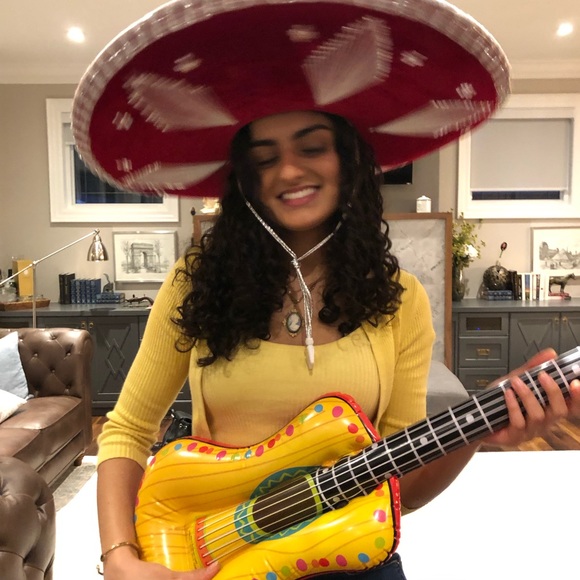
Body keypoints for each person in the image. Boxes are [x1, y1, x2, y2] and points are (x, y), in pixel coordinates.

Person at [72, 1, 580, 579]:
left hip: (351, 562)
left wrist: (478, 430)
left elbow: (399, 486)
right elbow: (128, 429)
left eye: (312, 146)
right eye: (265, 159)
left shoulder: (402, 300)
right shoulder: (196, 282)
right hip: (219, 559)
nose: (289, 171)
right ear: (245, 180)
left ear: (349, 159)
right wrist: (119, 558)